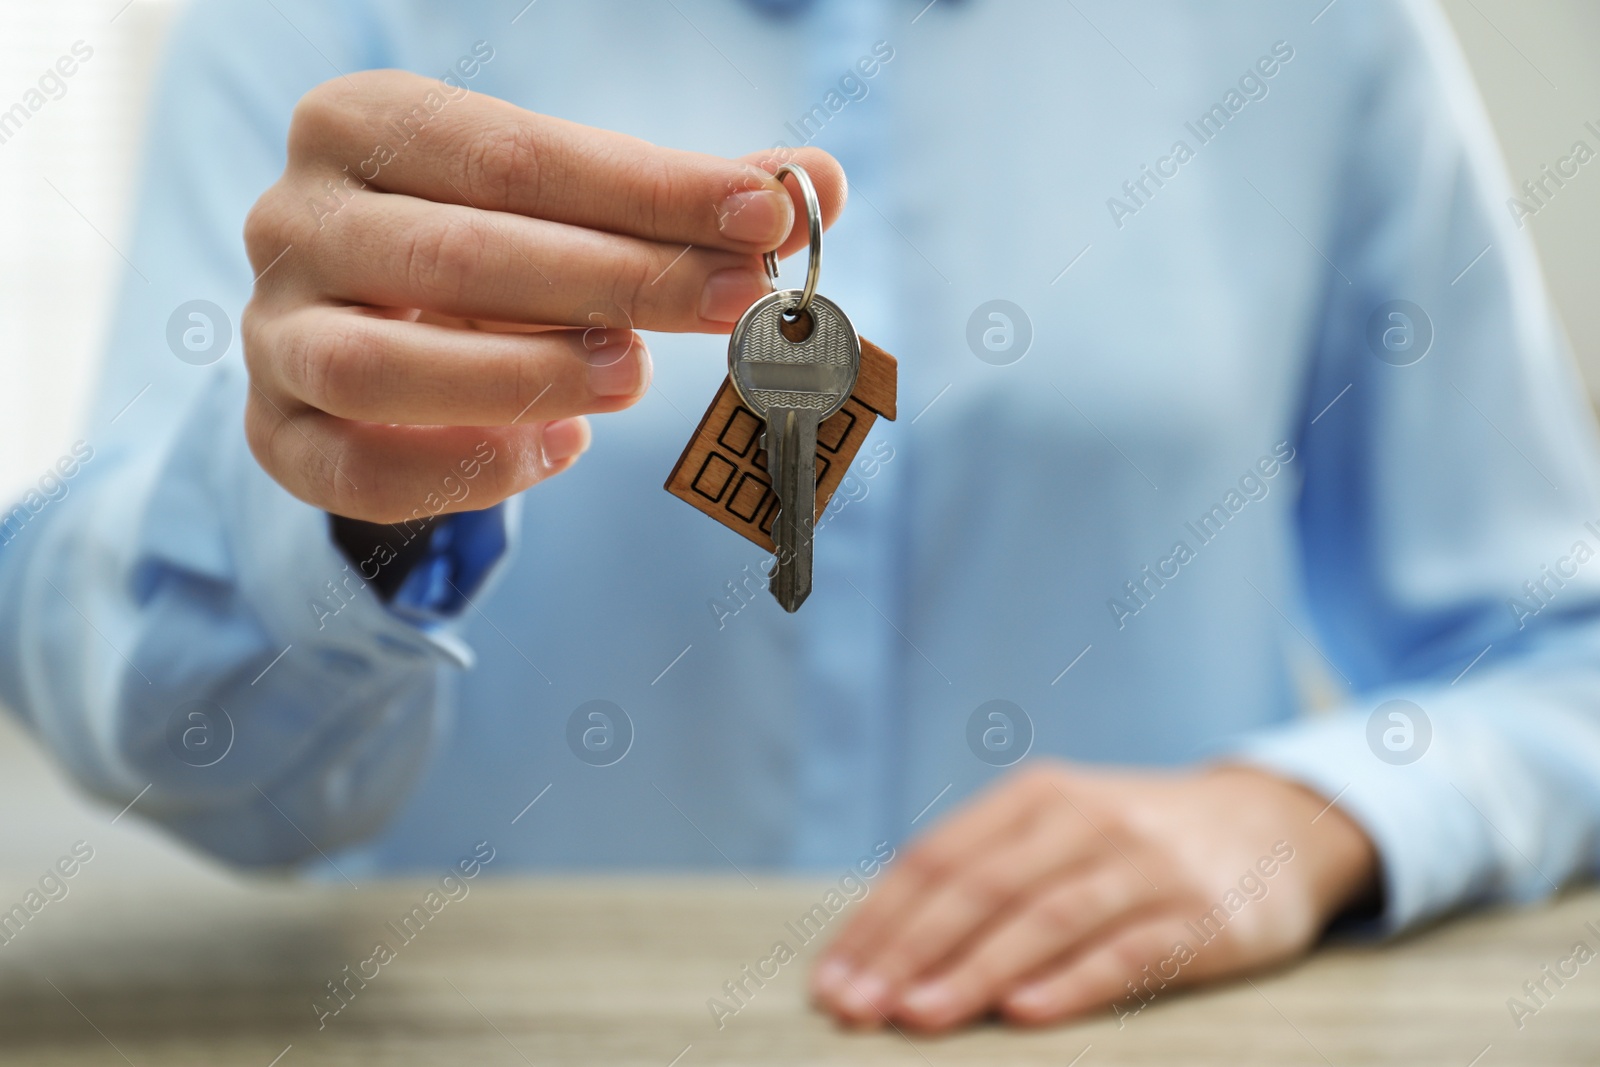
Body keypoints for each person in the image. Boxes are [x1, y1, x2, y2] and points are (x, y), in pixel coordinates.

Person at [3, 0, 1599, 1033]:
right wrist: (338, 495)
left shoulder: (1322, 34)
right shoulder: (320, 26)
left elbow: (1564, 654)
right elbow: (134, 697)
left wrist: (1312, 816)